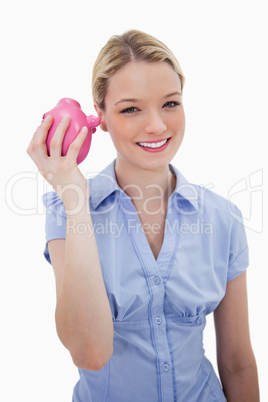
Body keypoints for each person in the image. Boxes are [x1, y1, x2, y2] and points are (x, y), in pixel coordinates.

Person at [27, 30, 259, 401]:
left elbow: (237, 363)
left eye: (170, 103)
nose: (156, 125)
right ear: (99, 116)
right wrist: (74, 198)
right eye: (131, 109)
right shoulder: (67, 211)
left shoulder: (222, 218)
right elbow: (90, 352)